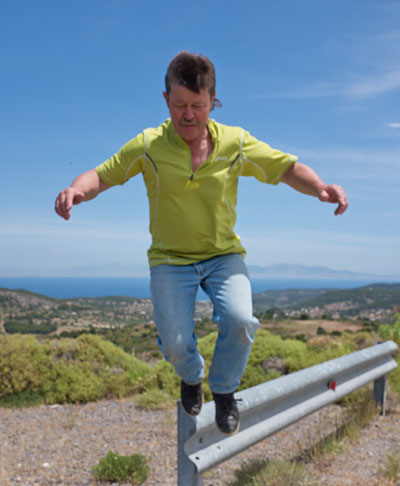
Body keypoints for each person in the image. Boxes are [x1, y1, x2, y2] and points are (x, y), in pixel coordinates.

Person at [55, 50, 348, 436]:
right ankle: (192, 377)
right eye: (179, 105)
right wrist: (76, 190)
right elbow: (102, 175)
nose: (188, 115)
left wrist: (320, 187)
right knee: (176, 344)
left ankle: (224, 390)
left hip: (223, 255)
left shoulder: (235, 142)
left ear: (213, 101)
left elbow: (285, 168)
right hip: (170, 259)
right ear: (166, 100)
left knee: (241, 321)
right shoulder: (149, 145)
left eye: (198, 105)